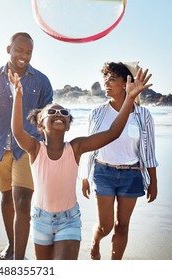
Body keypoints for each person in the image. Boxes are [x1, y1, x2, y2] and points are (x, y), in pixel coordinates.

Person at [9, 65, 152, 260]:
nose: (59, 114)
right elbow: (17, 132)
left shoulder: (75, 148)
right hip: (40, 221)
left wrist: (129, 99)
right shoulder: (35, 149)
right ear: (40, 125)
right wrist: (17, 96)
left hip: (69, 221)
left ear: (68, 126)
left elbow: (112, 133)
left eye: (64, 113)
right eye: (52, 112)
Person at [0, 32, 53, 260]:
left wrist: (51, 148)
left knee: (23, 201)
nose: (23, 56)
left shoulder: (41, 82)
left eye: (28, 52)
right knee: (7, 198)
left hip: (27, 149)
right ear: (9, 49)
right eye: (19, 50)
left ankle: (18, 259)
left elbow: (48, 118)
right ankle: (12, 246)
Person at [81, 62, 158, 260]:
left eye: (112, 78)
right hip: (103, 172)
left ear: (126, 84)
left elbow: (148, 150)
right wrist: (84, 176)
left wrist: (153, 182)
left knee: (122, 226)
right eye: (105, 78)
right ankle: (96, 241)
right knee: (105, 226)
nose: (106, 82)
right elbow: (89, 147)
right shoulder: (96, 113)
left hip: (132, 175)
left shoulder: (143, 115)